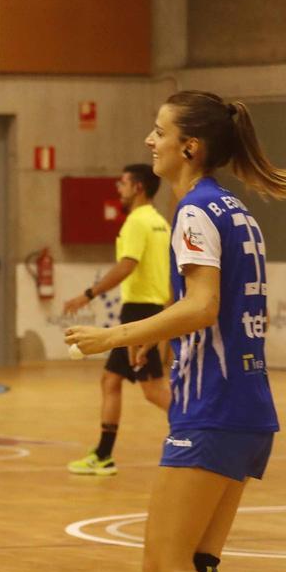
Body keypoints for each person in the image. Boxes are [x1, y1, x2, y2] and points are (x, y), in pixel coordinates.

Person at [65, 91, 286, 572]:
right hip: (245, 404)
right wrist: (164, 338)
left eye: (159, 131)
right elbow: (213, 305)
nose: (149, 141)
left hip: (213, 407)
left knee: (163, 564)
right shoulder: (236, 212)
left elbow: (204, 305)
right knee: (200, 566)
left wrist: (118, 334)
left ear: (191, 148)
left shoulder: (195, 210)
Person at [63, 164, 171, 476]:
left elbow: (127, 265)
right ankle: (103, 454)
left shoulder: (138, 222)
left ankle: (201, 428)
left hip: (140, 311)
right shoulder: (160, 222)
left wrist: (89, 293)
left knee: (153, 390)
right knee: (111, 380)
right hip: (148, 308)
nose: (118, 189)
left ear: (138, 187)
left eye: (122, 183)